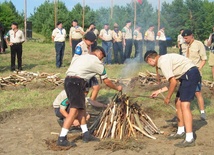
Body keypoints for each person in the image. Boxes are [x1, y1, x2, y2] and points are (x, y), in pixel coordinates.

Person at [57, 46, 122, 147]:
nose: (101, 59)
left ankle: (86, 134)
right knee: (74, 111)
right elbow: (107, 81)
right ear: (99, 53)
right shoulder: (96, 62)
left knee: (82, 109)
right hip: (76, 83)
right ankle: (62, 138)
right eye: (102, 57)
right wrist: (117, 88)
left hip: (69, 81)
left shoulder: (83, 56)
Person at [145, 50, 201, 147]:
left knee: (184, 104)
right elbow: (173, 81)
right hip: (187, 75)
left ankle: (189, 138)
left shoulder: (163, 62)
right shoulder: (164, 59)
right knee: (178, 102)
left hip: (191, 74)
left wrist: (168, 97)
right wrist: (159, 91)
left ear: (150, 59)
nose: (149, 64)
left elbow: (173, 83)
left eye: (148, 62)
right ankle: (180, 131)